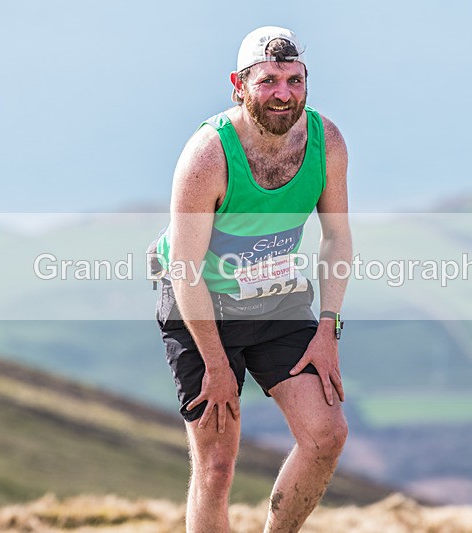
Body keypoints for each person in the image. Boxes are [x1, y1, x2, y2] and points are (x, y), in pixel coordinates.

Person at [152, 26, 352, 532]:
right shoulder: (208, 154)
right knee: (217, 467)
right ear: (238, 85)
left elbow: (336, 237)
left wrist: (327, 329)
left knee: (326, 435)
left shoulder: (325, 140)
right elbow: (184, 269)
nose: (283, 94)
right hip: (200, 303)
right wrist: (217, 366)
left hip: (276, 298)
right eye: (268, 81)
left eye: (294, 80)